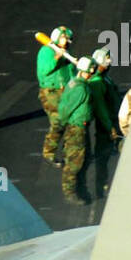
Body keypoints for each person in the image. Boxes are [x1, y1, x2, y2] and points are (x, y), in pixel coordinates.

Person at [57, 55, 96, 205]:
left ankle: (76, 188)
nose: (91, 74)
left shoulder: (73, 82)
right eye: (90, 71)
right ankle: (70, 192)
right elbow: (67, 108)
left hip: (76, 127)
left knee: (79, 158)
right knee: (75, 162)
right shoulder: (80, 88)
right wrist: (64, 124)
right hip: (77, 128)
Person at [37, 25, 75, 165]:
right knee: (58, 121)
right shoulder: (46, 51)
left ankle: (68, 152)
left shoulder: (65, 53)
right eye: (65, 38)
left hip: (65, 91)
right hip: (51, 92)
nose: (68, 41)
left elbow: (71, 72)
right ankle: (49, 152)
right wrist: (56, 58)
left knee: (70, 121)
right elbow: (44, 70)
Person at [87, 47, 121, 195]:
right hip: (107, 125)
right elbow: (101, 108)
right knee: (103, 156)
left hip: (115, 120)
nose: (110, 62)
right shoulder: (97, 82)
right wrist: (110, 127)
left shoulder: (105, 78)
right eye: (107, 60)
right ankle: (101, 187)